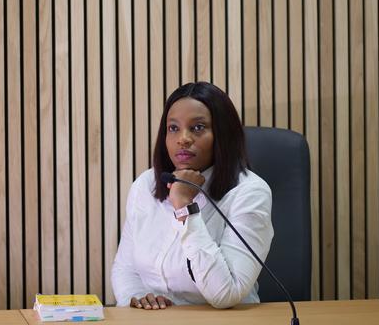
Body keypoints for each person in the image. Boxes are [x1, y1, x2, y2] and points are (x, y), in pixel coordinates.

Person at [111, 82, 273, 309]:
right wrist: (138, 299)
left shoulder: (250, 193)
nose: (183, 138)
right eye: (173, 128)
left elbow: (225, 293)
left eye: (197, 128)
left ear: (223, 135)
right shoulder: (145, 185)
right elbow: (125, 268)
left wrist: (185, 208)